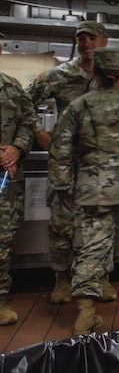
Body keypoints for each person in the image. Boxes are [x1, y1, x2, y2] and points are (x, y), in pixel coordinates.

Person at [25, 20, 115, 304]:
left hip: (102, 167)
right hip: (67, 163)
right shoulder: (59, 76)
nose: (87, 44)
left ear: (104, 42)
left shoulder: (115, 76)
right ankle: (62, 279)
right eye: (81, 40)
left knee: (102, 223)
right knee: (63, 224)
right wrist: (37, 131)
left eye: (92, 39)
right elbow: (23, 101)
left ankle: (101, 277)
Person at [49, 48, 119, 335]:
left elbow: (60, 151)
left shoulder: (79, 106)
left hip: (91, 189)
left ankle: (85, 315)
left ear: (94, 73)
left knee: (89, 251)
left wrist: (63, 188)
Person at [0, 32, 38, 325]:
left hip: (6, 179)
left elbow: (28, 121)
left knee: (3, 240)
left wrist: (17, 148)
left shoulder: (11, 88)